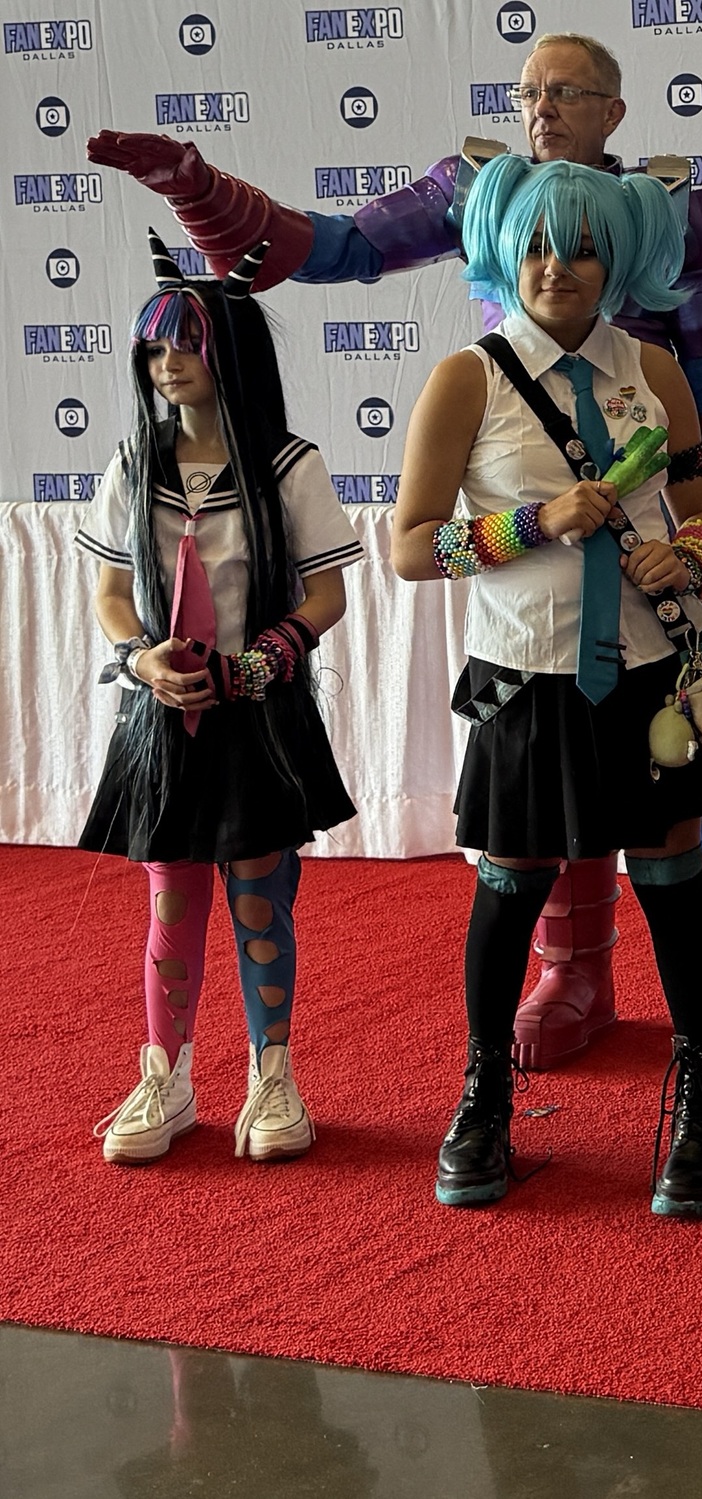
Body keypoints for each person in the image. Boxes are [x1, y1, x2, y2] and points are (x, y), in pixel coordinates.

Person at [86, 30, 702, 1068]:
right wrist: (194, 187)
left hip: (652, 542)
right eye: (529, 90)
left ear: (615, 112)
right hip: (523, 544)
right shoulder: (475, 193)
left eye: (567, 91)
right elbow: (330, 249)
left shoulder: (676, 211)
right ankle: (573, 967)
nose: (540, 107)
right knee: (543, 775)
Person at [389, 157, 702, 1215]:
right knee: (513, 873)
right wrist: (536, 522)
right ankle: (484, 1092)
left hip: (645, 675)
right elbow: (411, 545)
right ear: (509, 249)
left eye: (583, 247)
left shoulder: (657, 372)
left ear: (617, 257)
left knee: (671, 863)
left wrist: (697, 554)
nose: (559, 267)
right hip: (526, 677)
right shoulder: (469, 376)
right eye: (540, 244)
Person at [81, 236, 362, 1165]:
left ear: (232, 351)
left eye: (188, 347)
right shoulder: (132, 463)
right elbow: (111, 591)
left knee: (258, 895)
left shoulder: (288, 465)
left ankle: (271, 1074)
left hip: (258, 717)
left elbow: (326, 593)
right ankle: (165, 1072)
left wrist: (265, 661)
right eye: (156, 350)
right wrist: (140, 657)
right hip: (161, 719)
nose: (169, 366)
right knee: (171, 899)